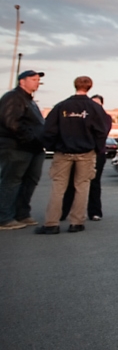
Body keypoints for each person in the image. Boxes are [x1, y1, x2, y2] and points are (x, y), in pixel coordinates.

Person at [37, 76, 108, 235]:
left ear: (74, 85)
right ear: (90, 87)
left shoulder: (62, 106)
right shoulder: (95, 108)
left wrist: (53, 147)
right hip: (86, 153)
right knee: (82, 186)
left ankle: (51, 223)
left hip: (63, 152)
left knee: (58, 187)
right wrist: (96, 148)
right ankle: (77, 222)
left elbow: (48, 130)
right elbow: (101, 131)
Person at [0, 70, 47, 231]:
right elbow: (11, 122)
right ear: (22, 81)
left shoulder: (30, 100)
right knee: (11, 181)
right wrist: (30, 138)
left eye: (38, 80)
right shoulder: (13, 97)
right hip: (16, 147)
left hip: (34, 149)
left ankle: (21, 213)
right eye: (33, 79)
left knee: (30, 180)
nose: (37, 82)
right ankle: (4, 217)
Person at [60, 94, 112, 221]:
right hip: (80, 152)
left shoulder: (105, 118)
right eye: (92, 103)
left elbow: (101, 134)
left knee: (94, 183)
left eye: (97, 104)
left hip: (97, 153)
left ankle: (95, 212)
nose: (94, 106)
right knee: (72, 183)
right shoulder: (84, 116)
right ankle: (63, 211)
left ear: (101, 105)